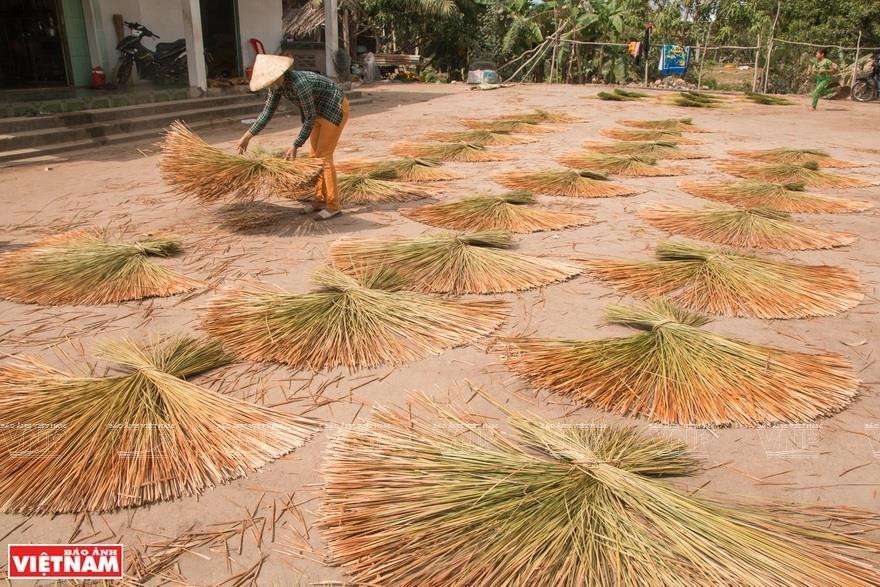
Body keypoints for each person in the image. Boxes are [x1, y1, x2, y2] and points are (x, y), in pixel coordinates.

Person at [237, 54, 349, 220]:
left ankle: (334, 206)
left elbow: (309, 117)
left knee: (324, 157)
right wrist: (247, 136)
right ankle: (320, 200)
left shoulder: (299, 84)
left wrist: (296, 144)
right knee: (314, 158)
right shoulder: (277, 88)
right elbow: (267, 113)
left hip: (334, 108)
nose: (268, 85)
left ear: (278, 75)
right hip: (317, 112)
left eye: (269, 80)